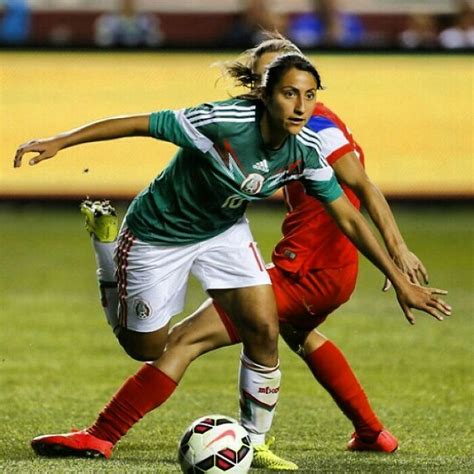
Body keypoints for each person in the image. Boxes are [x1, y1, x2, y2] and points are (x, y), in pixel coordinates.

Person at [16, 51, 451, 471]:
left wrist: (399, 277)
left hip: (224, 231)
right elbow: (139, 123)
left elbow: (349, 217)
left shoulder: (309, 148)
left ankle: (250, 443)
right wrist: (61, 141)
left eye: (310, 95)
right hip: (160, 234)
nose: (301, 106)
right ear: (264, 94)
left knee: (262, 326)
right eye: (288, 94)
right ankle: (108, 258)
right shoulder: (221, 121)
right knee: (145, 348)